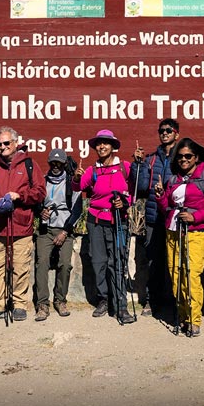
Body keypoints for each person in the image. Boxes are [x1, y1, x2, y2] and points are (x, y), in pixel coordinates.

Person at [0, 127, 46, 324]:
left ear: (15, 143)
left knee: (20, 268)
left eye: (6, 143)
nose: (2, 147)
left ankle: (19, 304)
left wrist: (20, 197)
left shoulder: (29, 164)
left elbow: (40, 192)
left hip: (22, 226)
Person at [160, 138, 204, 337]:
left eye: (188, 156)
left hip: (196, 232)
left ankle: (195, 319)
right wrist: (161, 195)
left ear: (196, 157)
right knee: (176, 275)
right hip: (173, 230)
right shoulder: (174, 178)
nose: (184, 160)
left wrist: (195, 217)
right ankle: (183, 316)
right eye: (180, 156)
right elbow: (165, 207)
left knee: (191, 275)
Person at [77, 130, 135, 324]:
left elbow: (135, 191)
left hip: (118, 220)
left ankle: (121, 306)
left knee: (117, 262)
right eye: (99, 144)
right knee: (98, 262)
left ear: (113, 146)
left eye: (106, 143)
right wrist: (77, 178)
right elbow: (78, 187)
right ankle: (103, 299)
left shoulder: (125, 167)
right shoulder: (92, 171)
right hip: (95, 221)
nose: (102, 147)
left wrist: (125, 203)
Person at [131, 118, 179, 316]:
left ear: (176, 133)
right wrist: (137, 165)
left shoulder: (183, 157)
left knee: (176, 259)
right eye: (161, 130)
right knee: (153, 261)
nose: (164, 133)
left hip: (175, 216)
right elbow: (141, 187)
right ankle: (153, 301)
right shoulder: (151, 159)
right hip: (153, 216)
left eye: (169, 130)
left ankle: (178, 301)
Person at [34, 149, 82, 321]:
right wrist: (41, 211)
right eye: (52, 163)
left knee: (64, 265)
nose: (55, 166)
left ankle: (60, 300)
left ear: (64, 164)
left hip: (65, 228)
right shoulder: (43, 182)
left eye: (59, 163)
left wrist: (65, 232)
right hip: (46, 229)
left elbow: (77, 211)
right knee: (42, 264)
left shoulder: (72, 183)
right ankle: (42, 304)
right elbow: (35, 202)